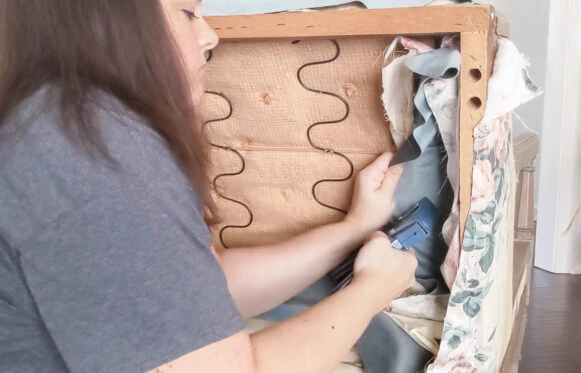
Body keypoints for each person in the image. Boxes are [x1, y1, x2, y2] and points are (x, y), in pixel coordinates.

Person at [0, 1, 418, 372]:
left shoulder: (52, 126)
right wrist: (373, 289)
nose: (210, 36)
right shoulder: (90, 152)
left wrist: (351, 230)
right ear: (108, 21)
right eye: (188, 13)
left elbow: (194, 294)